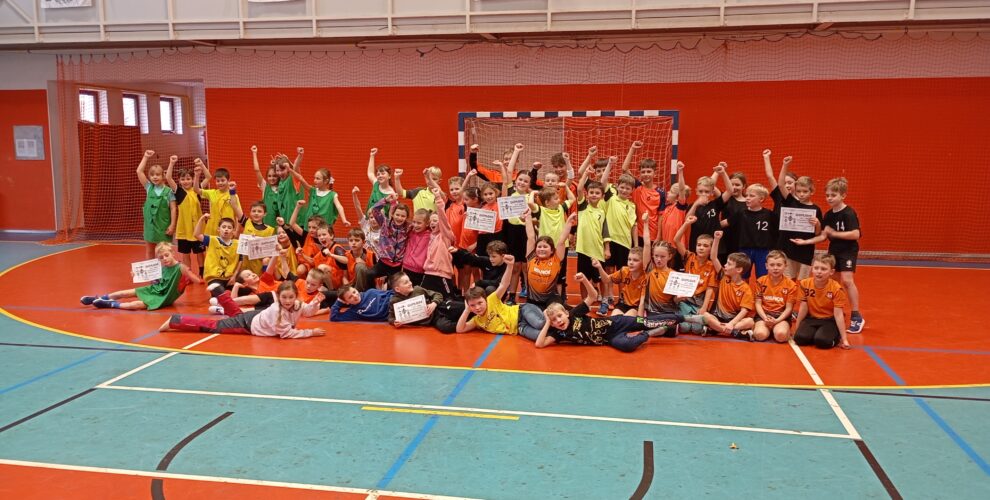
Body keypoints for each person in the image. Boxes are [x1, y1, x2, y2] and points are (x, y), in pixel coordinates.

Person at [535, 273, 682, 352]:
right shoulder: (558, 334)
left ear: (566, 313)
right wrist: (547, 322)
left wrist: (585, 279)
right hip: (610, 338)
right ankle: (650, 334)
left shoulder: (574, 314)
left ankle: (686, 318)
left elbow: (592, 296)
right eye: (554, 320)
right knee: (627, 346)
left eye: (559, 316)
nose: (558, 321)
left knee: (648, 322)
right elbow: (539, 344)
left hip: (616, 323)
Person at [791, 177, 865, 333]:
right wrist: (805, 242)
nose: (829, 198)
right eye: (827, 195)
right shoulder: (829, 215)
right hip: (834, 250)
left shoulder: (849, 213)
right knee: (833, 283)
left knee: (847, 281)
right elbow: (823, 235)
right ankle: (835, 310)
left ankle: (856, 316)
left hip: (848, 250)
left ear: (843, 195)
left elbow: (855, 234)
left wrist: (835, 233)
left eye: (833, 195)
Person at [161, 282, 326, 339]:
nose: (288, 301)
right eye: (284, 297)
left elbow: (307, 312)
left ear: (296, 296)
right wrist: (310, 332)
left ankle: (220, 293)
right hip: (248, 324)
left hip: (256, 316)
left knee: (237, 313)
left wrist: (314, 304)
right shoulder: (277, 311)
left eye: (291, 297)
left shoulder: (297, 304)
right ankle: (176, 321)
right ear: (278, 296)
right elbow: (286, 333)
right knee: (214, 326)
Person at [81, 242, 200, 310]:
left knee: (136, 305)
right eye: (161, 257)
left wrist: (191, 276)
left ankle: (110, 304)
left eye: (166, 255)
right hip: (155, 290)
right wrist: (137, 274)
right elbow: (156, 282)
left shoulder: (180, 267)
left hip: (163, 297)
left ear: (173, 253)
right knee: (124, 293)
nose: (164, 259)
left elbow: (196, 280)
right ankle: (99, 298)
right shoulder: (161, 268)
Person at [455, 255, 546, 340]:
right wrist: (466, 310)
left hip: (522, 311)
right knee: (539, 336)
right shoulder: (477, 321)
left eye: (480, 303)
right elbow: (460, 329)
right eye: (472, 305)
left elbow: (503, 284)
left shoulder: (492, 300)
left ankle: (549, 316)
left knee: (539, 324)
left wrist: (510, 266)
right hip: (519, 327)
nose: (477, 307)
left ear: (485, 299)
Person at [767, 150, 822, 280]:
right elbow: (781, 184)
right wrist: (785, 165)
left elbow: (818, 233)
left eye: (805, 191)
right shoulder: (790, 202)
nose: (801, 194)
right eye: (799, 191)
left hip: (805, 251)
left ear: (812, 191)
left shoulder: (816, 209)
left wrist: (817, 223)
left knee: (803, 281)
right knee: (788, 280)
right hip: (787, 249)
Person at [703, 232, 756, 340]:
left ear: (739, 270)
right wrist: (716, 239)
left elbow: (744, 311)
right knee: (706, 316)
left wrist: (731, 323)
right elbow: (713, 257)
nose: (725, 265)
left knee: (750, 321)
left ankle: (716, 330)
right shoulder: (723, 276)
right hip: (718, 317)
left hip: (734, 319)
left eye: (729, 264)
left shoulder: (746, 289)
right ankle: (736, 333)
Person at [575, 153, 611, 304]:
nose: (594, 195)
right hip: (583, 250)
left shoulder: (602, 212)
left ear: (602, 196)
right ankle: (585, 302)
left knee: (600, 278)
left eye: (597, 193)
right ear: (587, 194)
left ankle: (604, 300)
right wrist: (586, 174)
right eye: (591, 192)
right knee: (583, 277)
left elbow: (605, 232)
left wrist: (607, 248)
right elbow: (579, 189)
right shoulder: (583, 206)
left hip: (597, 251)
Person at [672, 215, 718, 334]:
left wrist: (704, 308)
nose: (701, 248)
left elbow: (710, 288)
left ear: (711, 249)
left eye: (705, 246)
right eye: (699, 245)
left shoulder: (712, 266)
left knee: (697, 330)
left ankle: (704, 324)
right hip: (685, 300)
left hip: (699, 303)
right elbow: (676, 240)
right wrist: (686, 223)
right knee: (685, 328)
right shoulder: (689, 257)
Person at [794, 254, 850, 349]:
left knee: (822, 341)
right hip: (811, 318)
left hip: (829, 320)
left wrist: (844, 339)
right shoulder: (805, 284)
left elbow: (838, 314)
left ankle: (835, 334)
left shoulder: (836, 288)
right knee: (800, 339)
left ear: (831, 272)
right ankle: (817, 333)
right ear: (812, 269)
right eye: (816, 268)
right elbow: (803, 307)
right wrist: (797, 329)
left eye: (823, 269)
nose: (819, 272)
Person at [522, 210, 576, 308]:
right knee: (532, 317)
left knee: (555, 313)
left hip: (551, 300)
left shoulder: (556, 260)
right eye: (539, 247)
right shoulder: (531, 258)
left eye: (545, 247)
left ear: (551, 250)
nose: (541, 249)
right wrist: (528, 217)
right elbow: (530, 237)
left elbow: (561, 241)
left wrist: (569, 222)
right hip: (532, 302)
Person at [725, 183, 778, 279]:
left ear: (761, 199)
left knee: (763, 277)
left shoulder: (769, 214)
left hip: (763, 251)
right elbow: (725, 223)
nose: (747, 198)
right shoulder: (741, 213)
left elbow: (777, 231)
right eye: (747, 195)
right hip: (744, 250)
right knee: (742, 276)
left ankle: (761, 289)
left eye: (751, 196)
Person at [388, 272, 466, 333]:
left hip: (439, 307)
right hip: (433, 319)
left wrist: (434, 303)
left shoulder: (417, 289)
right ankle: (467, 325)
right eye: (406, 282)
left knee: (461, 307)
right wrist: (394, 322)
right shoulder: (394, 301)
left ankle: (470, 314)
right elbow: (391, 317)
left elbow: (438, 295)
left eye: (409, 280)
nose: (410, 283)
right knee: (445, 327)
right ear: (397, 289)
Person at [165, 159, 204, 278]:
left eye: (188, 178)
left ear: (192, 179)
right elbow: (168, 177)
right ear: (179, 181)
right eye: (182, 179)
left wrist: (199, 171)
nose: (185, 181)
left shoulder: (197, 189)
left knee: (200, 252)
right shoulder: (179, 191)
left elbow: (208, 177)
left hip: (197, 230)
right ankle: (188, 274)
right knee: (185, 254)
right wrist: (171, 163)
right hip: (184, 230)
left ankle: (202, 273)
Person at [136, 150, 176, 259]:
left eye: (157, 175)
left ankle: (165, 269)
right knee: (150, 250)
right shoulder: (149, 188)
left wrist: (172, 225)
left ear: (163, 175)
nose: (155, 177)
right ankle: (151, 270)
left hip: (164, 226)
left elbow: (173, 209)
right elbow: (139, 171)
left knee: (164, 251)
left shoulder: (169, 191)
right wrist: (145, 157)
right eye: (152, 175)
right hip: (150, 226)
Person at [754, 250, 799, 342]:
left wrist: (777, 321)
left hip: (781, 317)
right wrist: (765, 318)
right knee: (760, 335)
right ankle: (764, 329)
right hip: (764, 315)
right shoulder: (760, 281)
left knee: (780, 336)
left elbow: (789, 308)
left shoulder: (791, 285)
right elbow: (758, 303)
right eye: (772, 265)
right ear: (766, 266)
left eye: (779, 265)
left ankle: (778, 329)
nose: (775, 268)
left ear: (785, 266)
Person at [422, 187, 459, 298]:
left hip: (442, 275)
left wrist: (438, 198)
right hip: (428, 273)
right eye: (431, 221)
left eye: (435, 221)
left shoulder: (446, 235)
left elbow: (443, 218)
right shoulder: (430, 236)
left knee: (448, 300)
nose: (432, 223)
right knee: (423, 300)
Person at [689, 164, 733, 251]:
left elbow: (730, 191)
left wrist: (723, 173)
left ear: (712, 193)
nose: (703, 194)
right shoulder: (692, 206)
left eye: (707, 192)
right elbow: (687, 220)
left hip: (714, 245)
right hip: (697, 245)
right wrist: (695, 204)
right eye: (701, 191)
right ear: (696, 191)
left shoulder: (716, 204)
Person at [371, 194, 412, 284]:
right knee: (368, 274)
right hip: (383, 262)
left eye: (403, 216)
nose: (399, 218)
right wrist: (385, 200)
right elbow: (375, 210)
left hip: (397, 266)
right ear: (392, 214)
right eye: (397, 215)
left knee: (392, 286)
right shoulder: (385, 223)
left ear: (406, 218)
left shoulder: (409, 228)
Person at [195, 159, 243, 237]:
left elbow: (238, 215)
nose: (220, 183)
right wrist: (197, 176)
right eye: (218, 181)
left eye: (223, 180)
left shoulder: (233, 196)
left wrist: (236, 231)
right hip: (212, 229)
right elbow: (196, 190)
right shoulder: (212, 193)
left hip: (227, 229)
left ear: (228, 180)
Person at [196, 213, 240, 288]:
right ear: (218, 229)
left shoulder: (237, 243)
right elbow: (197, 235)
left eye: (229, 227)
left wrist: (234, 276)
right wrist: (201, 219)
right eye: (224, 227)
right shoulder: (212, 240)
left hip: (229, 278)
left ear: (233, 231)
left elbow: (241, 259)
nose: (226, 229)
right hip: (214, 278)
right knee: (219, 290)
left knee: (247, 290)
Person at [239, 201, 276, 276]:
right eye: (254, 211)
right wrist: (232, 193)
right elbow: (236, 206)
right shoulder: (246, 222)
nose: (256, 213)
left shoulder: (270, 230)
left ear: (265, 214)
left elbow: (269, 253)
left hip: (259, 266)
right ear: (250, 213)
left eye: (259, 211)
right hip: (244, 264)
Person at [250, 145, 281, 226]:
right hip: (265, 225)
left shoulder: (282, 187)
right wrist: (254, 153)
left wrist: (277, 164)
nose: (272, 178)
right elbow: (257, 170)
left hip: (279, 225)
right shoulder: (264, 186)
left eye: (274, 176)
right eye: (269, 176)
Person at [364, 147, 397, 213]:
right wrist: (372, 155)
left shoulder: (391, 193)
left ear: (389, 176)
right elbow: (370, 173)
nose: (380, 176)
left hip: (381, 220)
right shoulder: (376, 184)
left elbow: (391, 213)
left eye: (383, 173)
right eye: (378, 174)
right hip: (368, 218)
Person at [351, 186, 381, 254]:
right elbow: (358, 208)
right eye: (371, 217)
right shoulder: (365, 224)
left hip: (378, 258)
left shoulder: (384, 230)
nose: (373, 220)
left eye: (376, 217)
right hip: (364, 257)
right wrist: (354, 195)